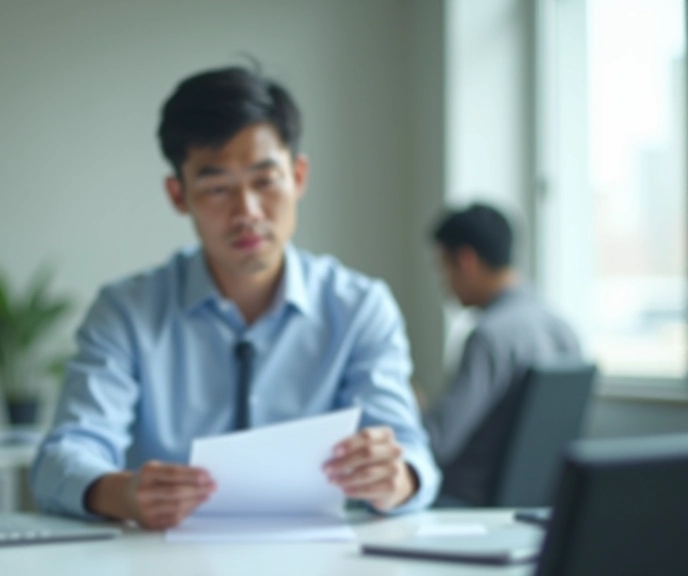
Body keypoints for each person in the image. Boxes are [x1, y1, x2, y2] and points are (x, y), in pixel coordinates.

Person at [31, 66, 440, 529]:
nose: (247, 212)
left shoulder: (360, 308)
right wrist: (122, 494)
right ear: (177, 195)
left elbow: (411, 455)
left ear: (299, 176)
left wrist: (395, 478)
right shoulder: (126, 311)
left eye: (265, 181)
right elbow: (62, 458)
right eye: (217, 188)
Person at [423, 203, 582, 506]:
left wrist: (412, 412)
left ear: (466, 260)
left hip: (467, 504)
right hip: (542, 504)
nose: (445, 286)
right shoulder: (563, 329)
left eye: (443, 268)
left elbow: (437, 443)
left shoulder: (489, 337)